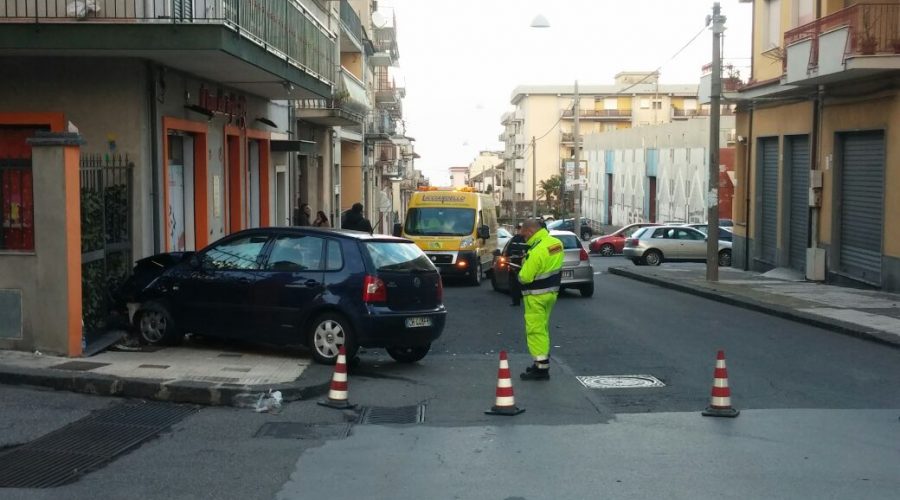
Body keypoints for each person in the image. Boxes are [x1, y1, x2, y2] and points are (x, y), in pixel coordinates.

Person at [516, 218, 564, 380]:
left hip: (535, 296)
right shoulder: (556, 243)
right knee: (542, 328)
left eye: (524, 236)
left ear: (530, 232)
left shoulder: (536, 251)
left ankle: (541, 368)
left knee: (535, 331)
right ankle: (539, 364)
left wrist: (522, 265)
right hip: (551, 294)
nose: (524, 238)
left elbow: (525, 277)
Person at [507, 223, 527, 307]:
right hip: (519, 263)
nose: (518, 230)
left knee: (515, 283)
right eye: (518, 229)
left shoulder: (515, 239)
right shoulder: (527, 239)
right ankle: (517, 301)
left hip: (517, 263)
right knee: (516, 283)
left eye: (519, 229)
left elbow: (508, 251)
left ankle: (516, 301)